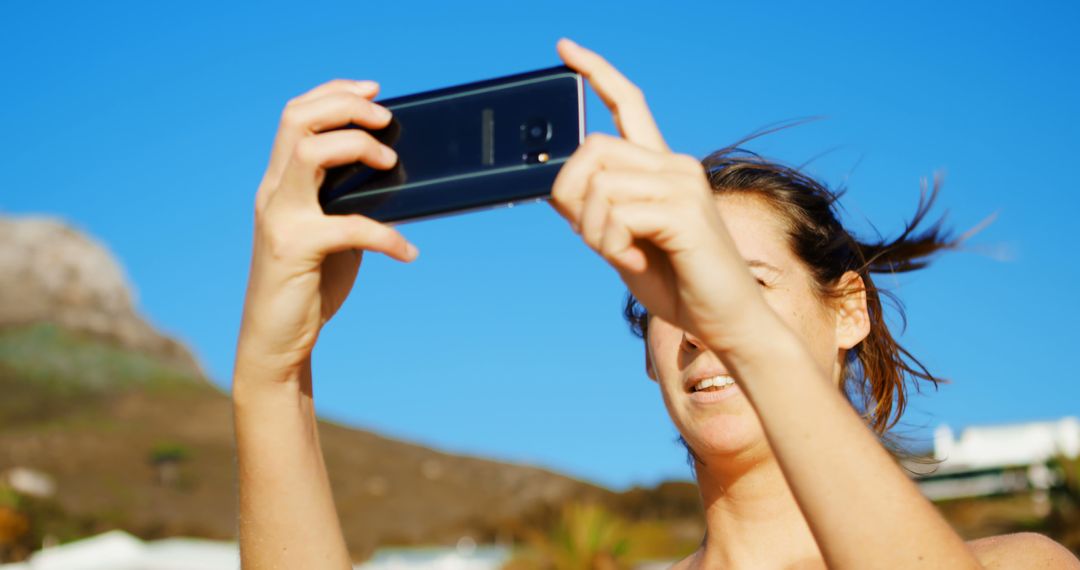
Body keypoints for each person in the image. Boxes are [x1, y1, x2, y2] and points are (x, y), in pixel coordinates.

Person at [231, 38, 1080, 569]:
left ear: (848, 309)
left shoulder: (1019, 562)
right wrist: (270, 380)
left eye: (739, 286)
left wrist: (744, 334)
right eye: (665, 297)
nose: (700, 326)